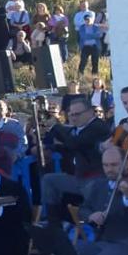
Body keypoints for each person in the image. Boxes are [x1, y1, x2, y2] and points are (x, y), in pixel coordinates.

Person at [42, 94, 112, 222]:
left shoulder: (98, 127)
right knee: (49, 180)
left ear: (90, 112)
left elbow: (73, 143)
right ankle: (55, 224)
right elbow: (69, 146)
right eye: (71, 114)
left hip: (96, 180)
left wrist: (55, 126)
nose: (73, 118)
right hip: (80, 179)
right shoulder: (79, 128)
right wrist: (48, 147)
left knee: (90, 192)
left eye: (77, 114)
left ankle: (85, 224)